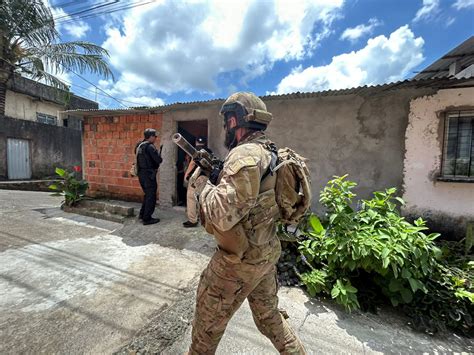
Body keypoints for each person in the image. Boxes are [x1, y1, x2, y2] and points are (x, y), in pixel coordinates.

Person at [189, 92, 306, 354]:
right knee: (270, 320)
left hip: (237, 263)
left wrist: (201, 183)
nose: (225, 129)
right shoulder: (273, 152)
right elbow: (257, 198)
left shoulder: (244, 156)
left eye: (226, 122)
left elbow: (221, 214)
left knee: (204, 333)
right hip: (265, 254)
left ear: (234, 121)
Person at [183, 136, 212, 228]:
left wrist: (186, 175)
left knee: (191, 197)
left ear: (196, 142)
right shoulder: (208, 151)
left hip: (196, 178)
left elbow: (192, 163)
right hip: (206, 177)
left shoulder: (195, 151)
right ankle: (203, 217)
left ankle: (192, 220)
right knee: (202, 198)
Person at [135, 128, 162, 225]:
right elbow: (158, 160)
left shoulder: (139, 145)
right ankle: (147, 218)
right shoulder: (150, 147)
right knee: (151, 196)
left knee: (147, 194)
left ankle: (142, 214)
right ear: (150, 137)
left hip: (141, 174)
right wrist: (159, 153)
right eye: (155, 136)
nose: (156, 138)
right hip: (149, 174)